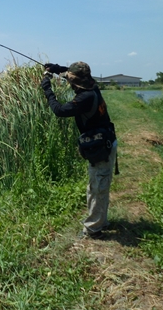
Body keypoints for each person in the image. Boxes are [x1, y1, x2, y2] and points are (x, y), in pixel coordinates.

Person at [41, 62, 117, 240]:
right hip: (104, 142)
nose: (70, 82)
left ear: (77, 82)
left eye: (71, 80)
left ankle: (94, 229)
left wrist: (47, 87)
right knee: (97, 186)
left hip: (101, 148)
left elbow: (59, 110)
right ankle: (99, 221)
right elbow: (71, 73)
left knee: (98, 187)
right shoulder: (92, 85)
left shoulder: (85, 98)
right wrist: (57, 68)